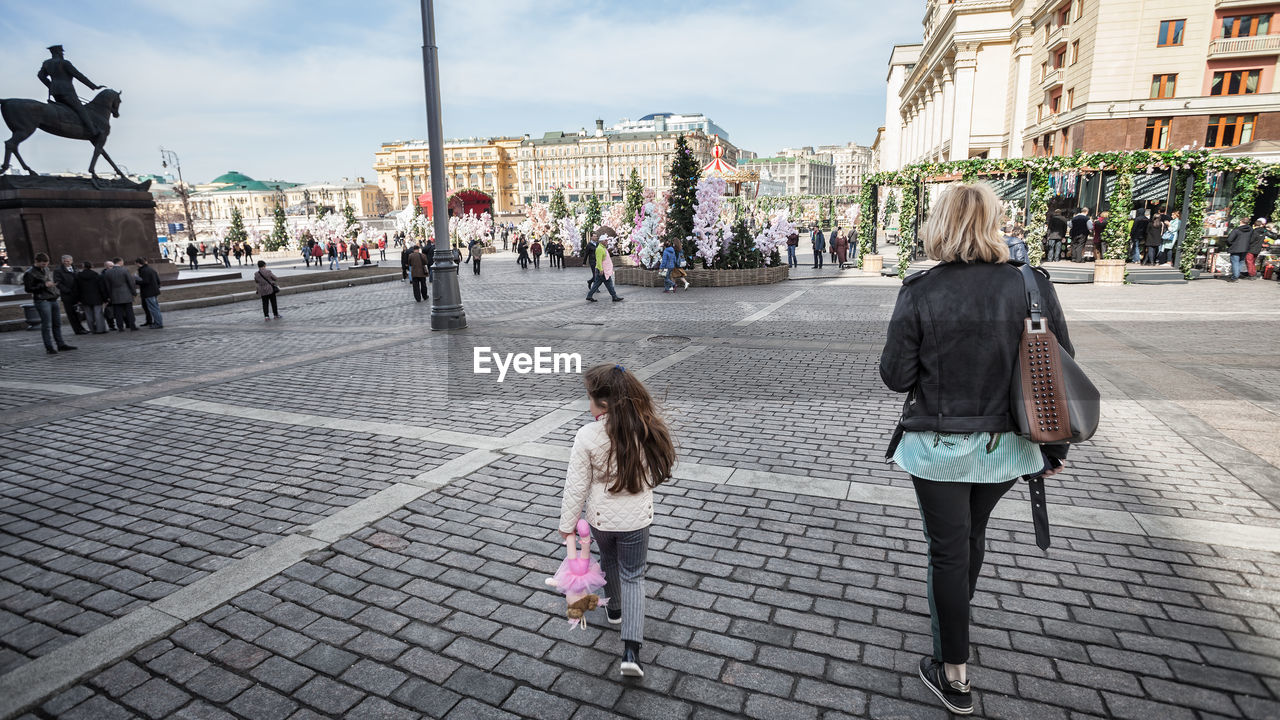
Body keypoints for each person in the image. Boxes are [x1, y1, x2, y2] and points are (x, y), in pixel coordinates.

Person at [880, 183, 1072, 716]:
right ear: (994, 222)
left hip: (939, 443)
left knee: (947, 547)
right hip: (1006, 444)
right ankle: (954, 625)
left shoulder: (920, 289)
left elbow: (896, 376)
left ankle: (954, 672)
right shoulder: (1031, 283)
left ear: (939, 224)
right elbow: (1059, 363)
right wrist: (1054, 448)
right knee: (973, 533)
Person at [559, 364, 675, 679]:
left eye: (590, 399)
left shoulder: (586, 436)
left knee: (608, 558)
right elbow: (652, 474)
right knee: (634, 575)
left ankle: (614, 610)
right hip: (637, 519)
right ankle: (631, 650)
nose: (588, 405)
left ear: (604, 405)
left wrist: (567, 524)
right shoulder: (646, 429)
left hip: (600, 519)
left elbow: (576, 486)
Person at [22, 253, 77, 355]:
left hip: (52, 298)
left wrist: (52, 286)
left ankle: (61, 344)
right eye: (43, 264)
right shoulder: (29, 273)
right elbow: (28, 289)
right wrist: (44, 285)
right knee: (47, 325)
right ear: (36, 262)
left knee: (57, 324)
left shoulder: (46, 269)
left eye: (46, 264)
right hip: (42, 300)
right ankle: (49, 347)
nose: (45, 266)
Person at [53, 254, 88, 335]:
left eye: (68, 261)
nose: (66, 263)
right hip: (67, 296)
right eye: (64, 261)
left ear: (71, 261)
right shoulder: (58, 270)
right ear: (62, 261)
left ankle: (82, 328)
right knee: (71, 314)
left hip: (77, 295)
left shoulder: (75, 268)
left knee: (79, 313)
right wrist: (67, 290)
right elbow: (58, 283)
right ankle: (77, 330)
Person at [102, 257, 138, 330]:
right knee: (129, 311)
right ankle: (132, 326)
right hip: (126, 294)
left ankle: (120, 327)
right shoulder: (124, 270)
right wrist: (134, 292)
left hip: (114, 295)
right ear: (120, 262)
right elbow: (130, 282)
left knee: (118, 312)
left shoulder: (108, 272)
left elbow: (107, 286)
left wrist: (109, 295)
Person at [76, 262, 107, 334]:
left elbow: (77, 288)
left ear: (83, 267)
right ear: (91, 266)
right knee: (98, 313)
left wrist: (78, 299)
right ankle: (100, 329)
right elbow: (101, 288)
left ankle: (92, 329)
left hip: (84, 298)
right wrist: (105, 298)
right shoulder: (96, 275)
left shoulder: (78, 276)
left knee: (88, 314)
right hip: (97, 297)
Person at [135, 257, 164, 329]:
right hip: (153, 291)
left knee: (153, 308)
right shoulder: (151, 269)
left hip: (148, 292)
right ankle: (157, 322)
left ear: (138, 263)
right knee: (155, 308)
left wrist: (136, 280)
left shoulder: (144, 271)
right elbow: (158, 281)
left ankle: (158, 323)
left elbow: (145, 281)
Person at [1225, 218, 1254, 282]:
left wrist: (1230, 245)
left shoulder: (1237, 230)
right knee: (1240, 262)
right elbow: (1252, 239)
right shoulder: (1251, 230)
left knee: (1235, 262)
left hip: (1235, 248)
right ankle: (1237, 274)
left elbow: (1229, 239)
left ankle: (1235, 277)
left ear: (1241, 221)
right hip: (1245, 248)